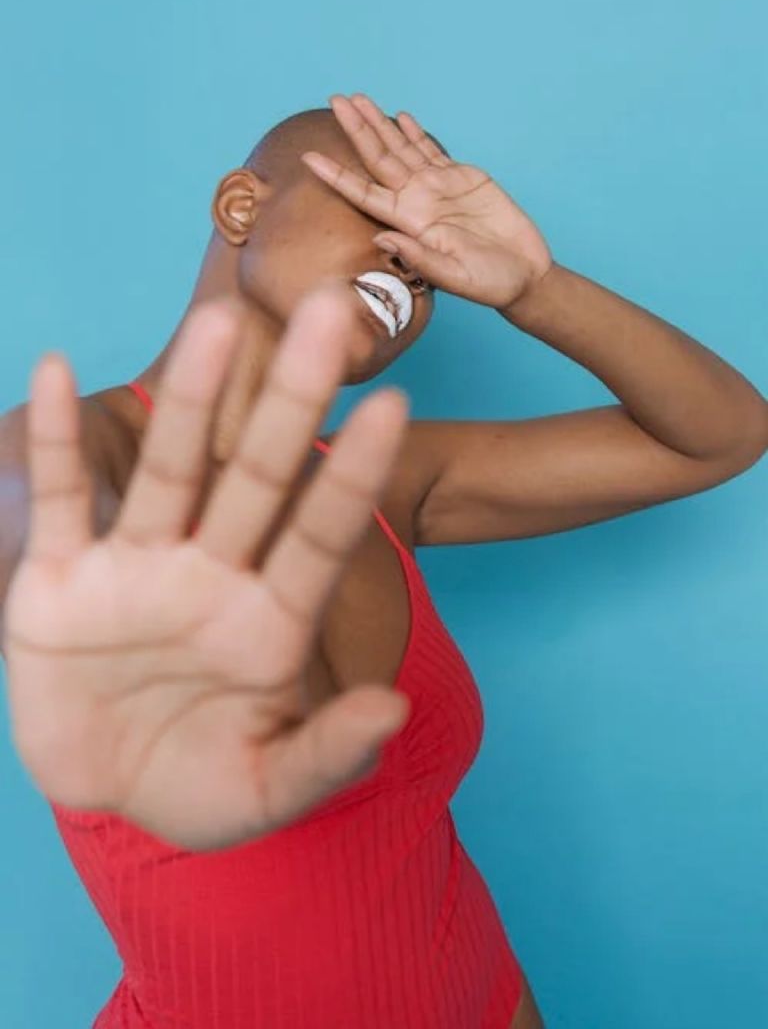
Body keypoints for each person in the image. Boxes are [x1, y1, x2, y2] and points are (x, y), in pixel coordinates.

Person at [1, 92, 765, 1029]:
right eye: (375, 207)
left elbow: (718, 436)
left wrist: (534, 288)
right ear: (241, 207)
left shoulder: (378, 480)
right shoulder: (59, 455)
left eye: (425, 257)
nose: (408, 260)